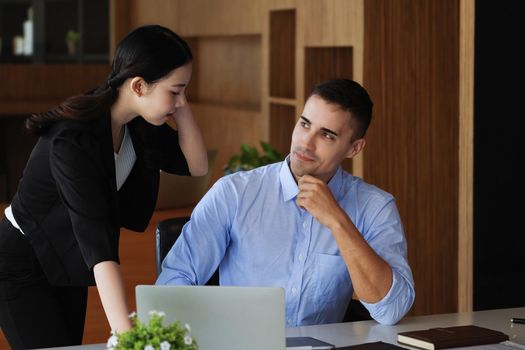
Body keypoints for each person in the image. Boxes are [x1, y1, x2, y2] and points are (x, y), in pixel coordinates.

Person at [0, 25, 207, 349]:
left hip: (67, 256)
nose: (180, 101)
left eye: (184, 91)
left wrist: (178, 102)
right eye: (175, 90)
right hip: (22, 260)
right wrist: (129, 338)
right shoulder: (73, 139)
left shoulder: (138, 122)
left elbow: (196, 165)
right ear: (139, 85)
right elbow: (96, 240)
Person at [157, 79, 415, 326]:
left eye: (326, 135)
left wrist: (337, 221)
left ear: (354, 148)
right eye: (304, 124)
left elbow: (391, 310)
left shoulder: (375, 206)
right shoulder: (234, 193)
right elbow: (173, 284)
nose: (306, 143)